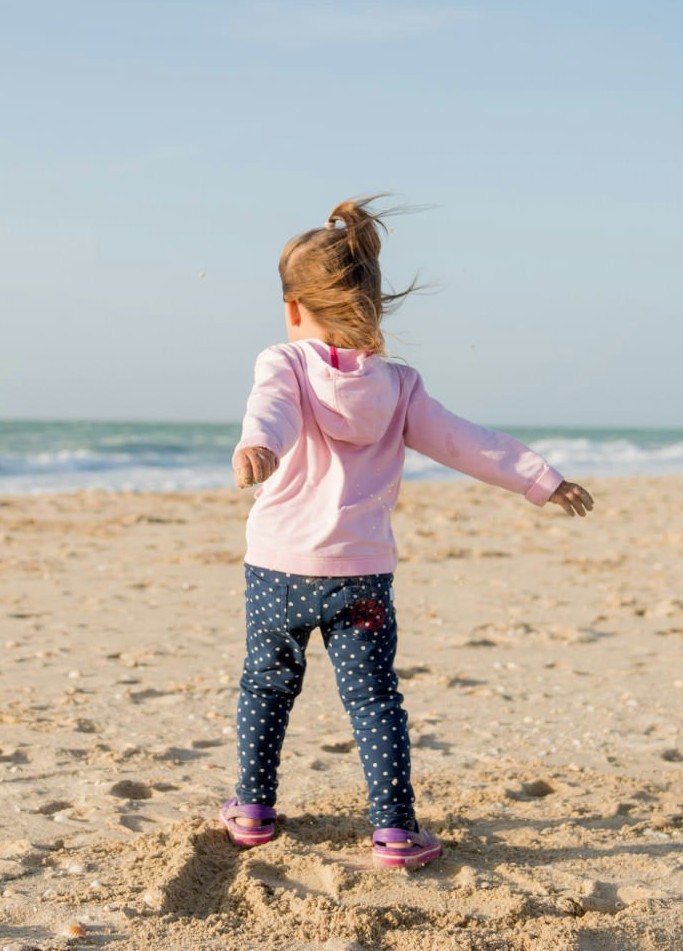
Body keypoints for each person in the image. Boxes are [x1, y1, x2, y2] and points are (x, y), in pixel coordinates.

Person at [219, 197, 594, 869]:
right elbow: (464, 442)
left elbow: (268, 411)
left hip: (277, 567)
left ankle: (252, 809)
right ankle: (394, 830)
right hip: (360, 575)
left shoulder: (283, 361)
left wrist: (258, 447)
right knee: (373, 699)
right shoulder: (400, 386)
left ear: (293, 308)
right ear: (372, 307)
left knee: (266, 685)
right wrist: (542, 479)